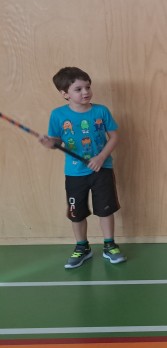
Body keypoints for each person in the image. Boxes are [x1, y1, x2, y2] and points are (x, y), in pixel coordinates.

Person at [39, 67, 126, 269]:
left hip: (101, 169)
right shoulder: (58, 115)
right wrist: (49, 143)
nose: (85, 92)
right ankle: (82, 247)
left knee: (105, 210)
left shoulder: (101, 111)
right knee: (76, 212)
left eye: (87, 87)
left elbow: (114, 137)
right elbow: (56, 141)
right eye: (78, 89)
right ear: (65, 94)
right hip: (75, 173)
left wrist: (101, 157)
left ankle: (109, 245)